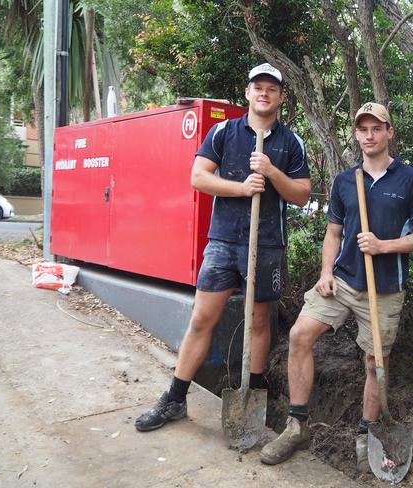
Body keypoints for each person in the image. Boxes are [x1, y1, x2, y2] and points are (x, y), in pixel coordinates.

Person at [135, 63, 311, 432]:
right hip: (224, 243)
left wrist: (271, 172)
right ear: (247, 93)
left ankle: (255, 389)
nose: (264, 93)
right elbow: (198, 177)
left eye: (272, 89)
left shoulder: (290, 143)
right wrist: (242, 187)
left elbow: (301, 195)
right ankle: (175, 399)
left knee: (260, 321)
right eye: (258, 87)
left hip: (267, 245)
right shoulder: (223, 132)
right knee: (202, 319)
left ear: (280, 97)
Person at [259, 102, 413, 471]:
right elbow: (333, 233)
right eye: (363, 129)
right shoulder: (344, 181)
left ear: (389, 132)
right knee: (299, 336)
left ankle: (365, 432)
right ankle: (296, 426)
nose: (369, 135)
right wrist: (325, 272)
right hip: (341, 282)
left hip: (384, 288)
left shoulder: (411, 179)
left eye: (377, 128)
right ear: (356, 135)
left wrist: (384, 245)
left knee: (374, 363)